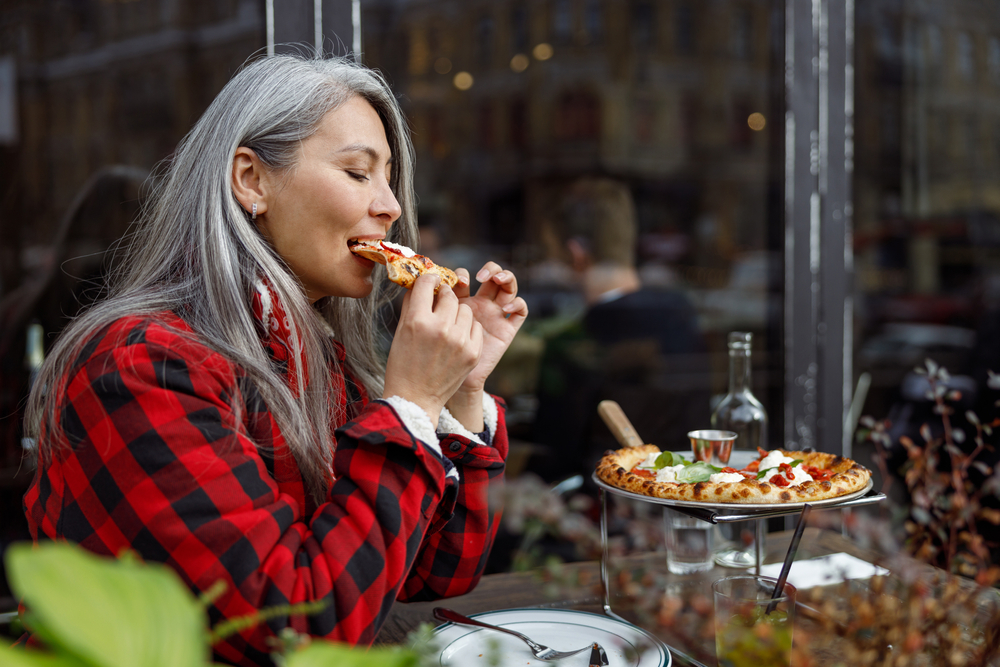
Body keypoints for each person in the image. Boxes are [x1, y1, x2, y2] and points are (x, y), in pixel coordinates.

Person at [19, 55, 527, 666]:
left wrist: (461, 392)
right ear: (251, 181)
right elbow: (290, 632)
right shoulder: (141, 366)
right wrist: (412, 406)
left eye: (389, 178)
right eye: (359, 173)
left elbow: (435, 573)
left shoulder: (314, 354)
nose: (391, 206)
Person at [530, 177, 708, 482]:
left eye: (552, 253)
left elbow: (555, 458)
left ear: (576, 254)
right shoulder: (682, 316)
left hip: (601, 500)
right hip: (688, 489)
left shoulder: (570, 345)